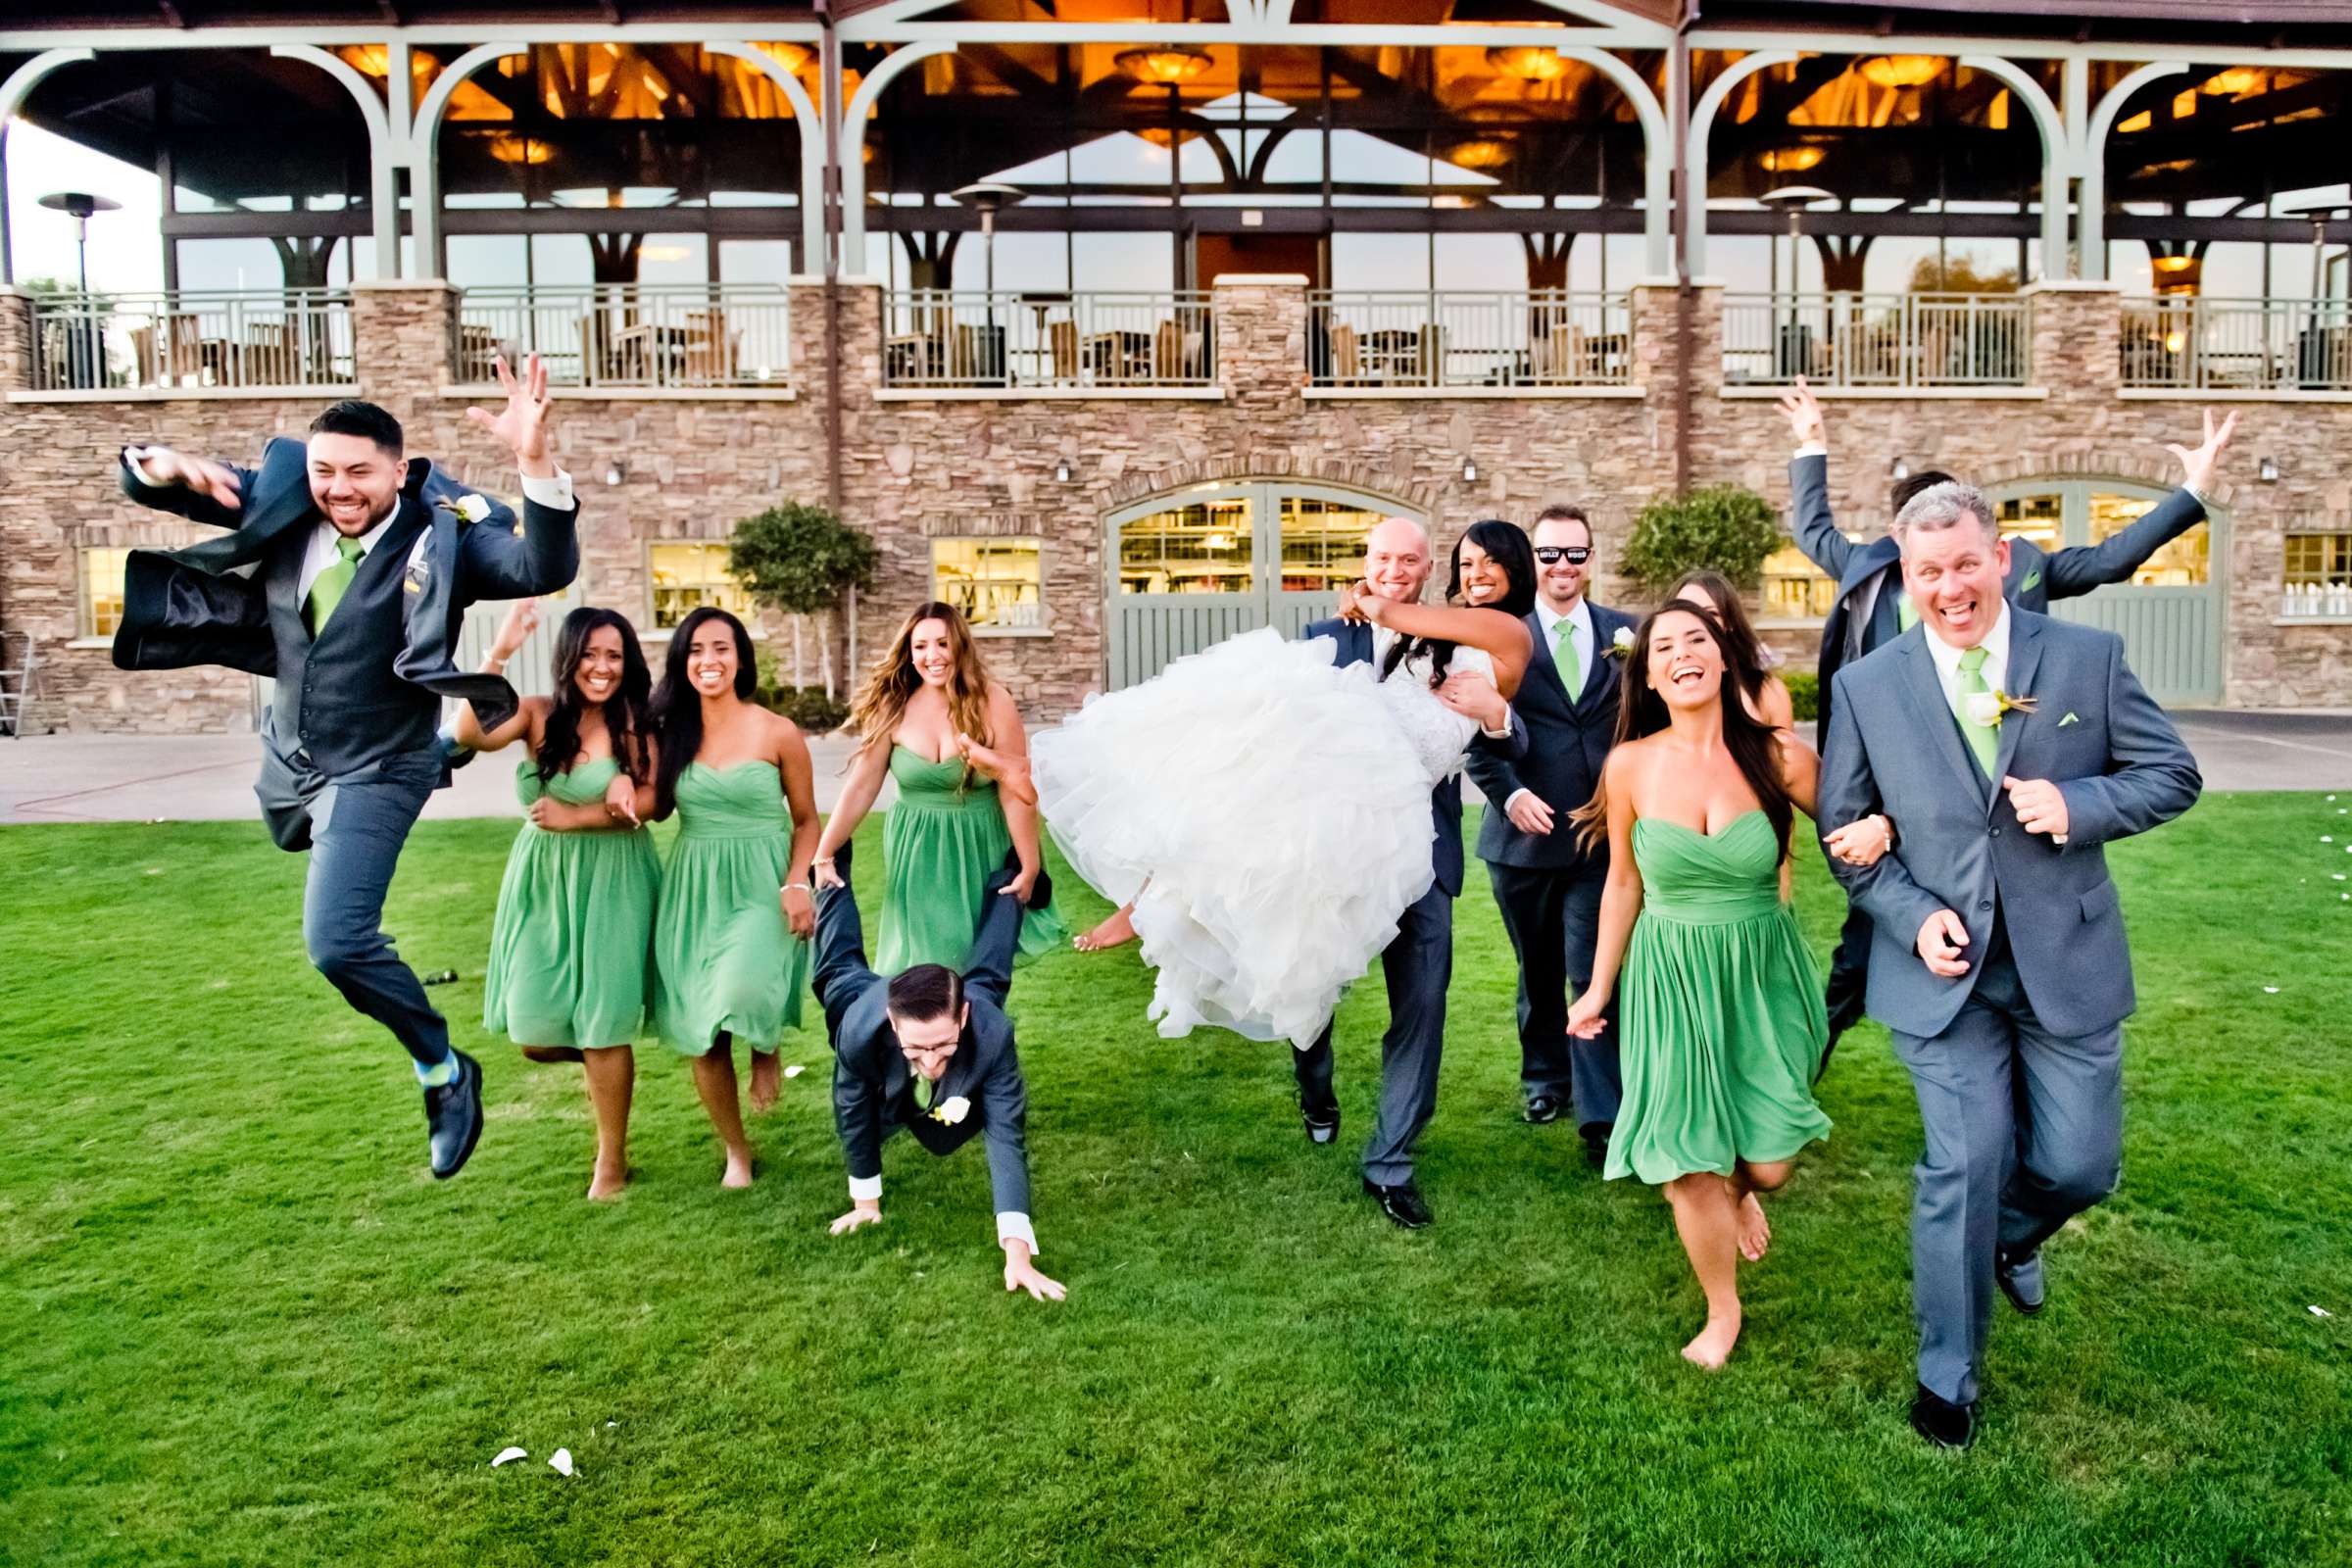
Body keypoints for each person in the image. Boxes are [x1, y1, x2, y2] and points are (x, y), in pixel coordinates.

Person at [107, 358, 579, 1178]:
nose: (340, 489)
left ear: (400, 470)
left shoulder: (450, 535)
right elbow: (191, 484)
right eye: (326, 471)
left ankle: (440, 1065)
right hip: (290, 757)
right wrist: (155, 464)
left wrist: (534, 461)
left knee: (335, 942)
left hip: (381, 763)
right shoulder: (288, 492)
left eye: (360, 472)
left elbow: (541, 567)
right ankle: (348, 821)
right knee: (299, 841)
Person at [1816, 481, 2201, 1448]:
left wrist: (2082, 809)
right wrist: (1908, 916)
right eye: (1926, 572)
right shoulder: (1867, 685)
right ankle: (1949, 1378)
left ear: (2001, 558)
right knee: (1964, 1160)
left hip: (2062, 959)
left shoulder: (2087, 659)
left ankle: (2012, 1232)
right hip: (1942, 977)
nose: (1949, 588)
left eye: (1963, 565)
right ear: (1905, 577)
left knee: (2079, 1165)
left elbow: (2172, 773)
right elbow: (1843, 834)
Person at [1033, 515, 1531, 1230]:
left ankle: (1390, 1161)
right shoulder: (1330, 640)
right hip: (1329, 850)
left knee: (1420, 1011)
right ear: (1369, 559)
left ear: (1426, 570)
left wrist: (1496, 720)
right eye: (1381, 557)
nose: (1395, 568)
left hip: (1424, 857)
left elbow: (1515, 734)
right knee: (1309, 988)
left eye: (1410, 559)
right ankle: (1315, 1088)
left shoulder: (1463, 638)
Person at [1778, 378, 2232, 1070]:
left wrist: (2191, 494)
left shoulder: (2022, 569)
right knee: (1861, 944)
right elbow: (1812, 529)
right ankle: (1812, 1058)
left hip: (2003, 783)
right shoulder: (1866, 568)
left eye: (1967, 549)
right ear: (1902, 544)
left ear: (1990, 549)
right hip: (1892, 787)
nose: (1953, 582)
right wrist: (1813, 443)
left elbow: (2110, 558)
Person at [1565, 600, 1891, 1371]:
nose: (1682, 655)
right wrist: (1597, 988)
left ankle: (1740, 1190)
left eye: (1697, 640)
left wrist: (1887, 828)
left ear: (1723, 656)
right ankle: (1722, 1308)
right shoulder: (1630, 765)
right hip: (1670, 973)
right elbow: (1621, 885)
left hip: (1762, 973)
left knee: (1771, 1165)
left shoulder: (1779, 761)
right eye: (1664, 648)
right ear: (1648, 676)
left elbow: (1865, 823)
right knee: (1688, 1165)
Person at [457, 599, 660, 1200]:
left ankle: (612, 1161)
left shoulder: (637, 724)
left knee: (601, 1024)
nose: (602, 667)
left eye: (614, 655)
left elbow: (653, 805)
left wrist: (580, 815)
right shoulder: (539, 714)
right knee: (535, 1029)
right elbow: (469, 734)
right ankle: (607, 1059)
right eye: (591, 654)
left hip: (614, 876)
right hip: (542, 879)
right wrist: (498, 653)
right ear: (568, 658)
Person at [1463, 505, 1640, 1159]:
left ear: (1590, 559)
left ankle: (1601, 1113)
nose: (1562, 566)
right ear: (1530, 562)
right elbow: (1474, 737)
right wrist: (1508, 796)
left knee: (1592, 970)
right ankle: (1545, 1079)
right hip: (1522, 844)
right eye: (1549, 554)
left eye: (1575, 553)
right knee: (1536, 971)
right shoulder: (1499, 637)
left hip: (1601, 839)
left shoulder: (1629, 633)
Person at [814, 842, 1065, 1302]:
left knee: (990, 973)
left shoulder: (989, 1029)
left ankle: (1011, 882)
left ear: (963, 1018)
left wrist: (1018, 1252)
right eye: (916, 1048)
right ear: (893, 1026)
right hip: (853, 992)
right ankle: (834, 868)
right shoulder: (859, 1034)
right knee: (835, 957)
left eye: (943, 1045)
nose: (930, 1062)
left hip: (972, 999)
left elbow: (1006, 1137)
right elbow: (852, 1111)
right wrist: (865, 1202)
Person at [649, 607, 822, 1189]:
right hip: (693, 886)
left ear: (741, 657)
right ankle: (736, 1149)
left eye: (721, 648)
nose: (708, 661)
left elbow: (805, 821)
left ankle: (766, 1039)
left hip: (761, 880)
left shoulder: (777, 731)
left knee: (742, 987)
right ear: (682, 661)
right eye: (696, 650)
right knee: (703, 1027)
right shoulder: (668, 731)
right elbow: (648, 802)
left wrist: (798, 881)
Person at [813, 602, 1064, 968]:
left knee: (975, 970)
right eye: (920, 646)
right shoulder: (893, 704)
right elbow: (862, 786)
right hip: (915, 849)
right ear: (909, 652)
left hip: (980, 845)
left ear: (960, 646)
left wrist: (1029, 866)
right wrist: (824, 853)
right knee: (922, 970)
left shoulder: (994, 702)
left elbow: (1014, 789)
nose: (932, 655)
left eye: (943, 644)